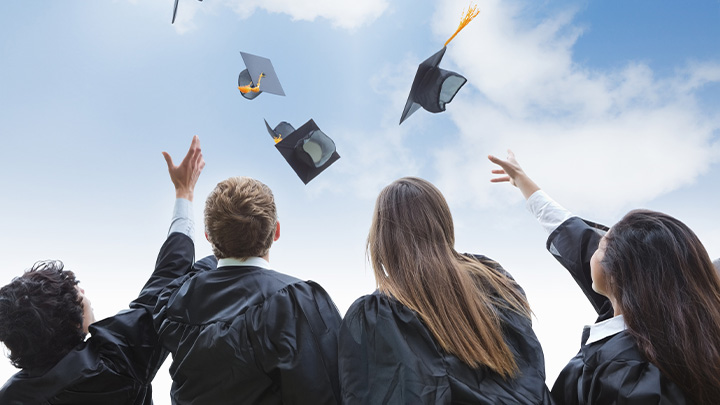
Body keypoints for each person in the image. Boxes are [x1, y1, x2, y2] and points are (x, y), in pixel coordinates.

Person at [489, 150, 720, 404]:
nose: (593, 248)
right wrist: (523, 182)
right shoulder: (670, 322)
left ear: (618, 274)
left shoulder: (626, 376)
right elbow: (574, 236)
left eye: (602, 245)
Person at [0, 135, 207, 404]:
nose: (83, 291)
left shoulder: (12, 397)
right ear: (74, 323)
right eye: (77, 292)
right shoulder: (112, 363)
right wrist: (184, 192)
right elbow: (170, 275)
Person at [152, 146, 343, 404]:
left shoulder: (175, 301)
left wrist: (184, 193)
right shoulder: (299, 302)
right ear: (275, 232)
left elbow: (172, 268)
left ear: (209, 237)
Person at [338, 177, 552, 404]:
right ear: (443, 221)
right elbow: (530, 361)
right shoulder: (493, 278)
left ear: (383, 237)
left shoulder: (375, 315)